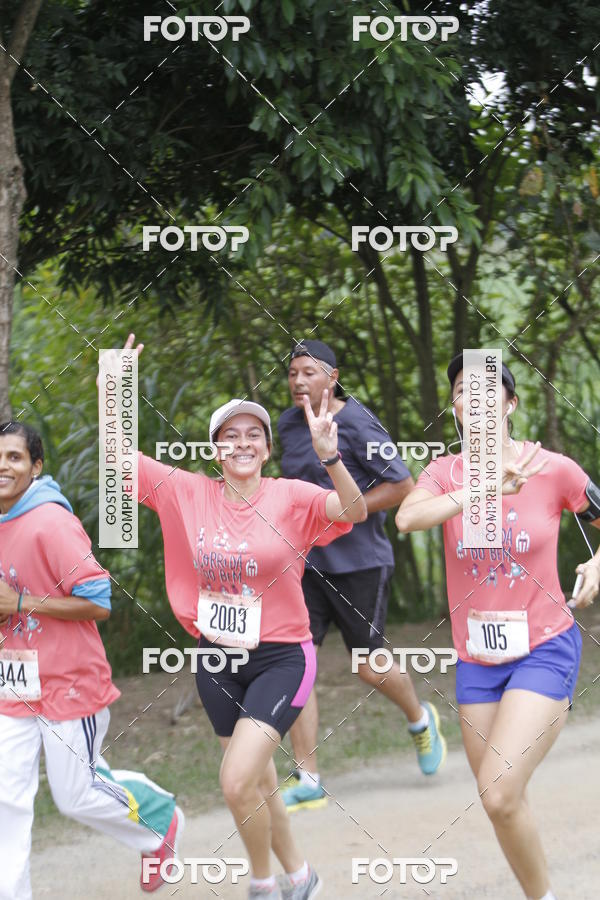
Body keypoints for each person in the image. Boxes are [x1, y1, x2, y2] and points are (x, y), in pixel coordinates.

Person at [102, 335, 367, 900]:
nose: (242, 443)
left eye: (254, 435)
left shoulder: (291, 496)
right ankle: (298, 874)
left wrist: (330, 455)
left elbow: (354, 509)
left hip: (281, 656)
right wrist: (113, 392)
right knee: (259, 781)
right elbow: (119, 460)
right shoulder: (185, 493)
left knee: (235, 780)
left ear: (267, 448)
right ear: (214, 449)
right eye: (230, 436)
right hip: (216, 655)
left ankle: (261, 881)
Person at [395, 352, 600, 900]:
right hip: (477, 662)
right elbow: (408, 518)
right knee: (501, 802)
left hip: (544, 647)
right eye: (463, 392)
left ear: (509, 403)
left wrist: (598, 560)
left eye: (488, 390)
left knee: (499, 793)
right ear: (457, 409)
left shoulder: (551, 468)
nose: (475, 399)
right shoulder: (443, 473)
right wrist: (483, 489)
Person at [0, 421, 183, 900]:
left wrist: (19, 603)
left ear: (35, 467)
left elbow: (99, 600)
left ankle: (157, 818)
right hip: (13, 686)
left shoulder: (51, 522)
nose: (3, 466)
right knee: (6, 801)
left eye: (15, 457)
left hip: (69, 683)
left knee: (75, 796)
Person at [278, 340, 446, 812]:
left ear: (332, 377)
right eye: (292, 373)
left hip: (360, 563)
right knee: (296, 664)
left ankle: (419, 718)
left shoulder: (357, 422)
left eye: (308, 372)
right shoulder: (289, 425)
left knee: (368, 665)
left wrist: (342, 514)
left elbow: (403, 485)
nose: (297, 381)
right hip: (305, 564)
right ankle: (307, 776)